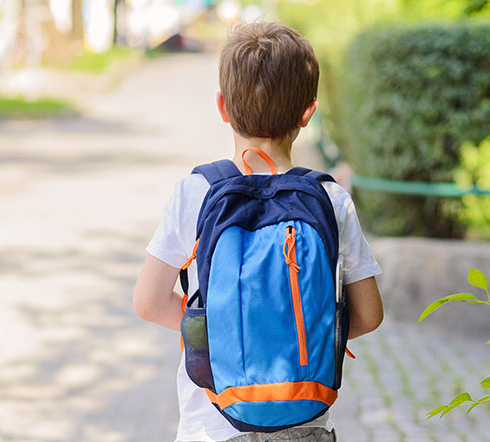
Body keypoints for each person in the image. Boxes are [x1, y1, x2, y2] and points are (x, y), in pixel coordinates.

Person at [133, 22, 384, 442]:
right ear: (309, 111)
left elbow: (148, 302)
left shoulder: (196, 192)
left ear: (223, 108)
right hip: (304, 417)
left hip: (211, 424)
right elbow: (369, 314)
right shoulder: (329, 197)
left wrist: (228, 331)